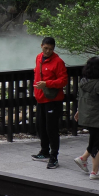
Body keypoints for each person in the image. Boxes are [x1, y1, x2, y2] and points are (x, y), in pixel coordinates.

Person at [32, 36, 69, 169]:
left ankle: (54, 157)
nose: (48, 51)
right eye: (46, 48)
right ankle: (44, 151)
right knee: (40, 126)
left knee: (51, 128)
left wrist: (47, 83)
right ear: (41, 46)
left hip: (53, 99)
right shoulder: (38, 58)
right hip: (41, 98)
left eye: (51, 49)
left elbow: (63, 80)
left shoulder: (58, 62)